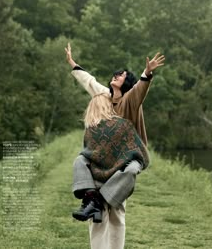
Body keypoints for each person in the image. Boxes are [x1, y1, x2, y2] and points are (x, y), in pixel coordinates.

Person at [65, 43, 165, 249]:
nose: (116, 75)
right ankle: (94, 200)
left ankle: (97, 201)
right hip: (102, 158)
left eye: (121, 75)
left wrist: (146, 73)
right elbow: (90, 82)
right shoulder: (103, 97)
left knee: (116, 212)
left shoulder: (130, 100)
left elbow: (140, 89)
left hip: (126, 159)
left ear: (126, 82)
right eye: (116, 73)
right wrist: (73, 64)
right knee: (96, 216)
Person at [73, 93, 149, 226]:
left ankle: (93, 200)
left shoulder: (90, 129)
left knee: (79, 160)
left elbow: (89, 154)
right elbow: (139, 150)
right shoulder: (121, 124)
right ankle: (94, 200)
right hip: (119, 175)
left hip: (100, 176)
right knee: (80, 160)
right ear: (108, 106)